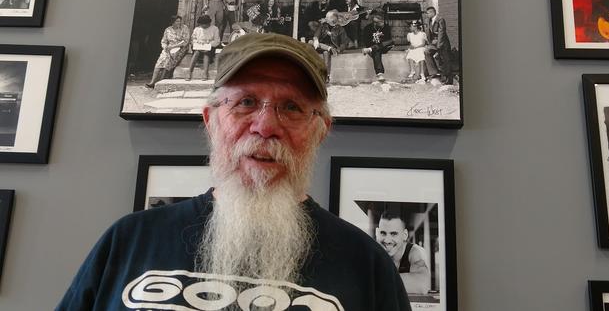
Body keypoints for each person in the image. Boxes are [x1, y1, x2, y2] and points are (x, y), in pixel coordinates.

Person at [57, 33, 411, 311]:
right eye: (245, 102)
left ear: (321, 129)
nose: (265, 125)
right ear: (211, 122)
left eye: (291, 107)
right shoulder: (128, 240)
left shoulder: (367, 264)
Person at [376, 210, 431, 295]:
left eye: (393, 234)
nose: (387, 240)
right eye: (383, 233)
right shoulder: (376, 252)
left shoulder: (415, 252)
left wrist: (375, 280)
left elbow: (422, 284)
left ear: (404, 235)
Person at [145, 15, 190, 89]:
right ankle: (152, 82)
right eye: (177, 21)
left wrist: (173, 47)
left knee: (169, 60)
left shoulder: (184, 28)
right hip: (169, 48)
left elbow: (185, 41)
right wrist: (165, 47)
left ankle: (160, 81)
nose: (179, 23)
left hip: (180, 48)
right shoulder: (168, 30)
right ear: (173, 22)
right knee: (160, 61)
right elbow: (164, 41)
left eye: (180, 21)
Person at [314, 10, 350, 81]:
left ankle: (326, 76)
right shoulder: (323, 26)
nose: (325, 19)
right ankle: (329, 48)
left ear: (333, 20)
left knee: (326, 53)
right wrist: (316, 39)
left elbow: (344, 42)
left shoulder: (340, 29)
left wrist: (339, 49)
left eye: (327, 18)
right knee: (310, 41)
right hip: (319, 45)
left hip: (331, 46)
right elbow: (316, 35)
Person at [423, 7, 453, 84]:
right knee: (427, 51)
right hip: (434, 43)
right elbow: (429, 33)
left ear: (433, 12)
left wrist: (439, 46)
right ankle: (434, 72)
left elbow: (441, 33)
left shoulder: (440, 19)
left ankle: (448, 79)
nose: (427, 15)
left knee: (445, 60)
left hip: (442, 43)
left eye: (428, 13)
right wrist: (430, 43)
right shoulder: (429, 20)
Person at [362, 9, 394, 81]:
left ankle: (371, 49)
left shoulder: (386, 27)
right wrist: (371, 47)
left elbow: (388, 40)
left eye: (383, 21)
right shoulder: (367, 29)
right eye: (380, 22)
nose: (382, 23)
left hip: (383, 46)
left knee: (390, 42)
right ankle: (380, 74)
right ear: (375, 23)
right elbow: (366, 42)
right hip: (374, 48)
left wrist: (372, 48)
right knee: (376, 51)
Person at [186, 15, 220, 81]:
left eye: (205, 25)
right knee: (196, 53)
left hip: (210, 48)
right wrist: (197, 43)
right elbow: (193, 39)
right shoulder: (197, 29)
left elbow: (217, 41)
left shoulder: (215, 29)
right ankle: (189, 72)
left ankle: (205, 73)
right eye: (202, 25)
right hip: (199, 47)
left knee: (206, 54)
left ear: (209, 23)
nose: (203, 26)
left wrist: (208, 44)